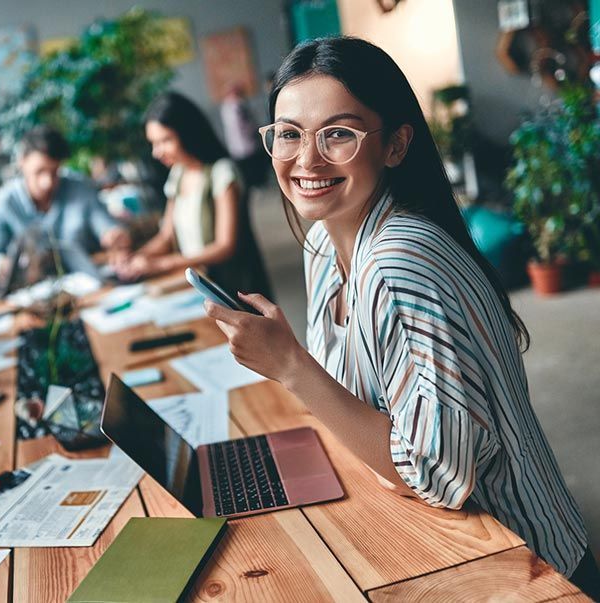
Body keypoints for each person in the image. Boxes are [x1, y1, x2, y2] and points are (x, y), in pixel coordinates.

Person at [204, 37, 599, 596]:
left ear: (395, 145)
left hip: (522, 566)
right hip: (432, 536)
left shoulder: (400, 261)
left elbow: (438, 476)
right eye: (288, 133)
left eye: (338, 133)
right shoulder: (322, 245)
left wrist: (291, 366)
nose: (306, 159)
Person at [115, 92, 272, 298]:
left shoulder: (222, 172)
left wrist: (161, 264)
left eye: (165, 140)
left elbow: (225, 246)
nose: (156, 152)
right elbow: (166, 235)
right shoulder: (178, 174)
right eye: (153, 143)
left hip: (233, 288)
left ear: (187, 133)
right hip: (199, 285)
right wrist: (135, 258)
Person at [0, 125, 130, 280]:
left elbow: (106, 226)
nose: (47, 183)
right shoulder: (2, 203)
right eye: (39, 171)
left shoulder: (79, 188)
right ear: (21, 162)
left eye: (54, 172)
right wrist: (5, 266)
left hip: (87, 285)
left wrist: (114, 236)